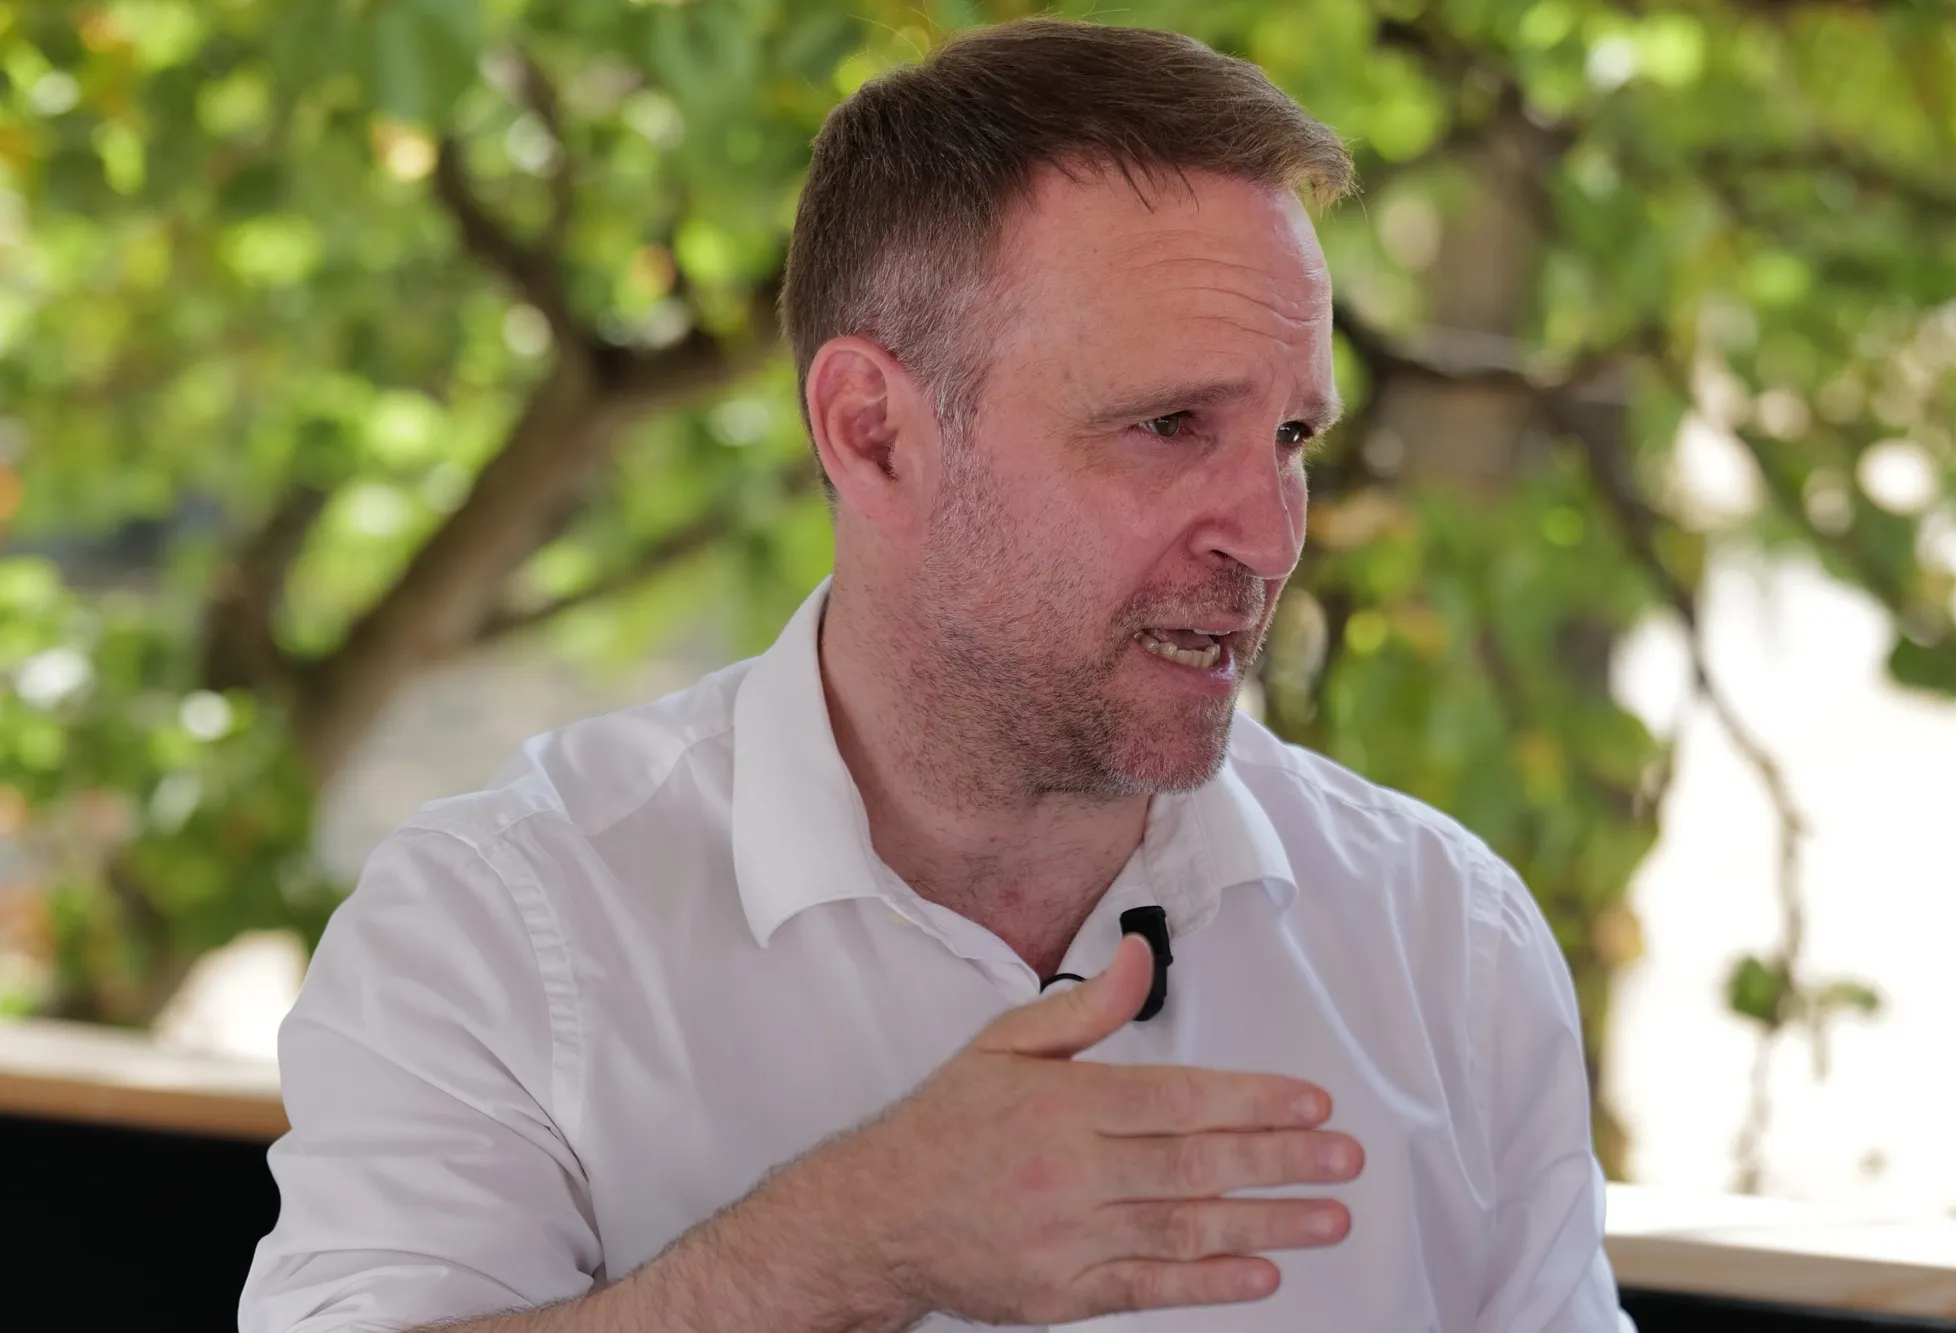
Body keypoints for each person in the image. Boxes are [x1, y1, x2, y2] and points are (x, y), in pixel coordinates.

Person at [242, 17, 1632, 1333]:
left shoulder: (1447, 940)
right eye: (1165, 425)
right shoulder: (501, 923)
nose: (1268, 536)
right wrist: (858, 1239)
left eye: (1291, 438)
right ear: (874, 433)